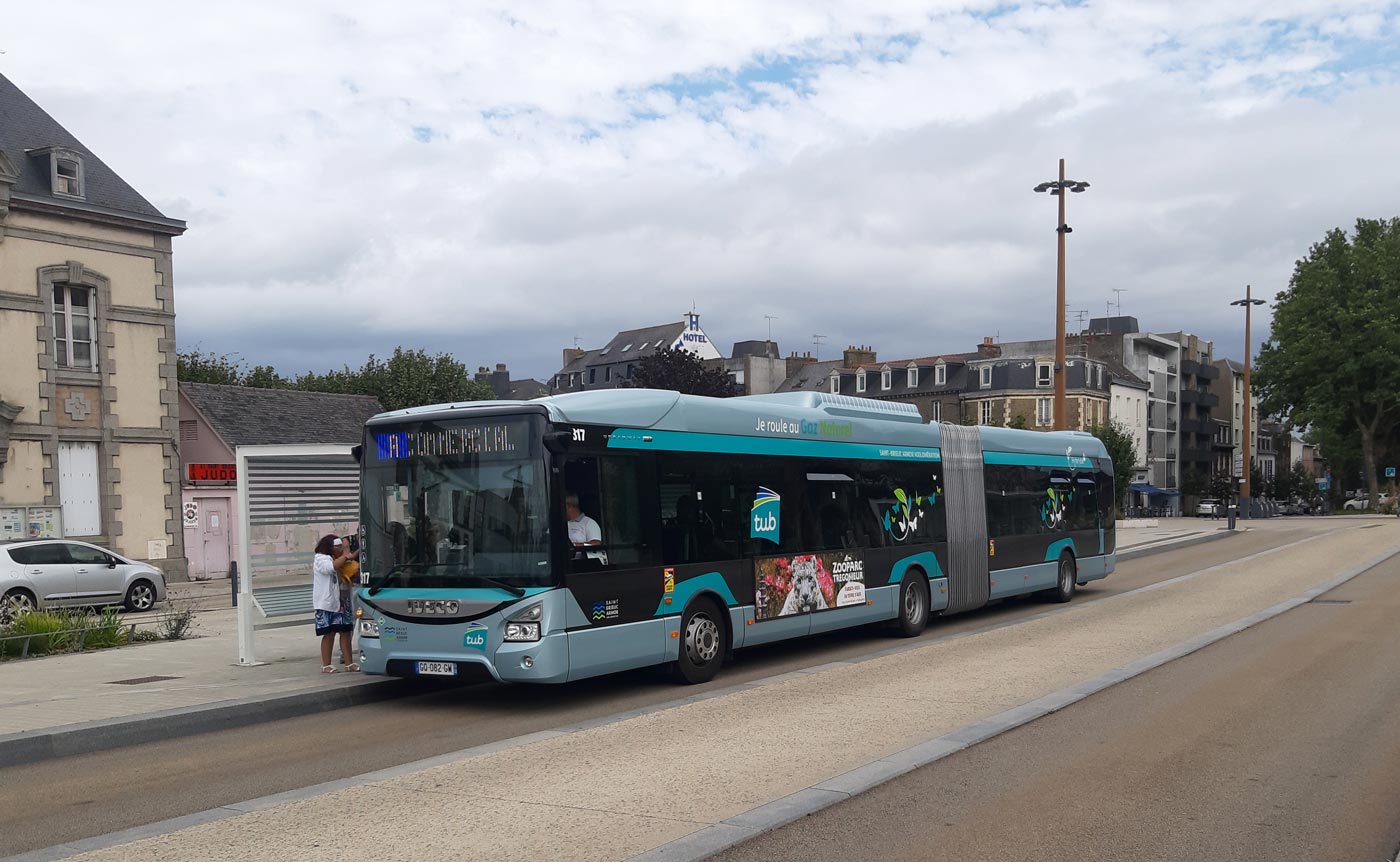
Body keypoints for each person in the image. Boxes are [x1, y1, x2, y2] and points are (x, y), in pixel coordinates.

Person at [312, 535, 357, 673]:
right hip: (326, 603)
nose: (341, 550)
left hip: (341, 601)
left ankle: (349, 663)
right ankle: (326, 665)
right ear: (330, 547)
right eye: (339, 547)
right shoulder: (321, 559)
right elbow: (331, 568)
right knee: (329, 632)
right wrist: (346, 556)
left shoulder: (338, 559)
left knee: (345, 631)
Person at [565, 493, 606, 563]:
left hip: (581, 565)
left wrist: (574, 546)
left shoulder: (589, 523)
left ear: (569, 506)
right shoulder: (559, 524)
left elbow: (596, 544)